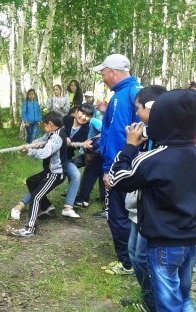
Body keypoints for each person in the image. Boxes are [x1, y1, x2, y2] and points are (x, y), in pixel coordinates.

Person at [109, 90, 196, 312]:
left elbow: (117, 180)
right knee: (183, 297)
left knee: (167, 304)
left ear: (161, 120)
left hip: (164, 243)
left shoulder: (152, 159)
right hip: (191, 238)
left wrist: (129, 146)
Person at [118, 85, 167, 312]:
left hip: (156, 213)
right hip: (140, 207)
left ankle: (157, 304)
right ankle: (149, 302)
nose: (136, 114)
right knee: (136, 256)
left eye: (138, 108)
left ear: (152, 108)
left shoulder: (168, 140)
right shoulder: (150, 133)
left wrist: (129, 148)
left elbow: (122, 178)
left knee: (147, 260)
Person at [93, 53, 142, 275]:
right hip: (139, 166)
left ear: (113, 72)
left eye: (103, 73)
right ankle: (136, 258)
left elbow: (118, 136)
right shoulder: (138, 91)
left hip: (122, 167)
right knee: (134, 214)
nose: (103, 77)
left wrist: (109, 170)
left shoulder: (121, 97)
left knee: (118, 215)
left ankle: (127, 263)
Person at [10, 112, 67, 237]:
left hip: (55, 174)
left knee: (36, 197)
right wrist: (32, 144)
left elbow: (45, 153)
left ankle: (30, 229)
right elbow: (42, 140)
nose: (43, 127)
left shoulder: (57, 138)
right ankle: (47, 207)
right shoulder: (52, 133)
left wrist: (30, 151)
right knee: (31, 181)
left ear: (51, 124)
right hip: (49, 172)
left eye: (45, 125)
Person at [61, 104, 95, 218]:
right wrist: (64, 138)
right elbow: (54, 134)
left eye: (88, 116)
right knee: (47, 180)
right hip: (54, 158)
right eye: (82, 113)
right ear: (76, 112)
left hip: (66, 158)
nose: (84, 117)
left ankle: (68, 207)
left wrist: (79, 144)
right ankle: (21, 204)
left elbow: (77, 145)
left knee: (76, 175)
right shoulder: (66, 120)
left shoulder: (86, 128)